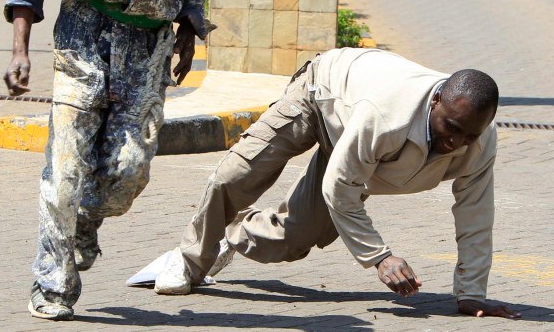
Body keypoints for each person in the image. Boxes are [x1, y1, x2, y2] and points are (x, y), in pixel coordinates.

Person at [2, 0, 216, 321]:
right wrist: (20, 50)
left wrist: (190, 24)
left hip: (147, 44)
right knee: (66, 168)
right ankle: (52, 285)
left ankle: (86, 224)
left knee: (127, 173)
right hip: (84, 33)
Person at [152, 48, 522, 320]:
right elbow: (340, 189)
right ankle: (188, 260)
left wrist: (471, 293)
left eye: (468, 136)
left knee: (293, 240)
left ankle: (229, 230)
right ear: (436, 100)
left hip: (358, 144)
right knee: (236, 176)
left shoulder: (480, 142)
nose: (456, 143)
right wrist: (379, 257)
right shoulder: (386, 115)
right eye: (451, 128)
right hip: (321, 94)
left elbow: (475, 213)